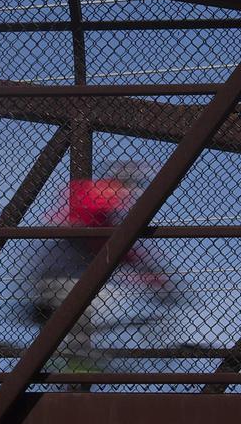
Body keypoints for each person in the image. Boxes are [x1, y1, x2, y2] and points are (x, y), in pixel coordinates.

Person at [28, 162, 181, 387]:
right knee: (94, 306)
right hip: (61, 271)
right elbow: (80, 206)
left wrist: (158, 282)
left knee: (87, 314)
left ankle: (71, 359)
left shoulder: (106, 219)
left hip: (69, 273)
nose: (131, 193)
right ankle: (69, 359)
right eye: (130, 186)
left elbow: (127, 254)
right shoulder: (92, 196)